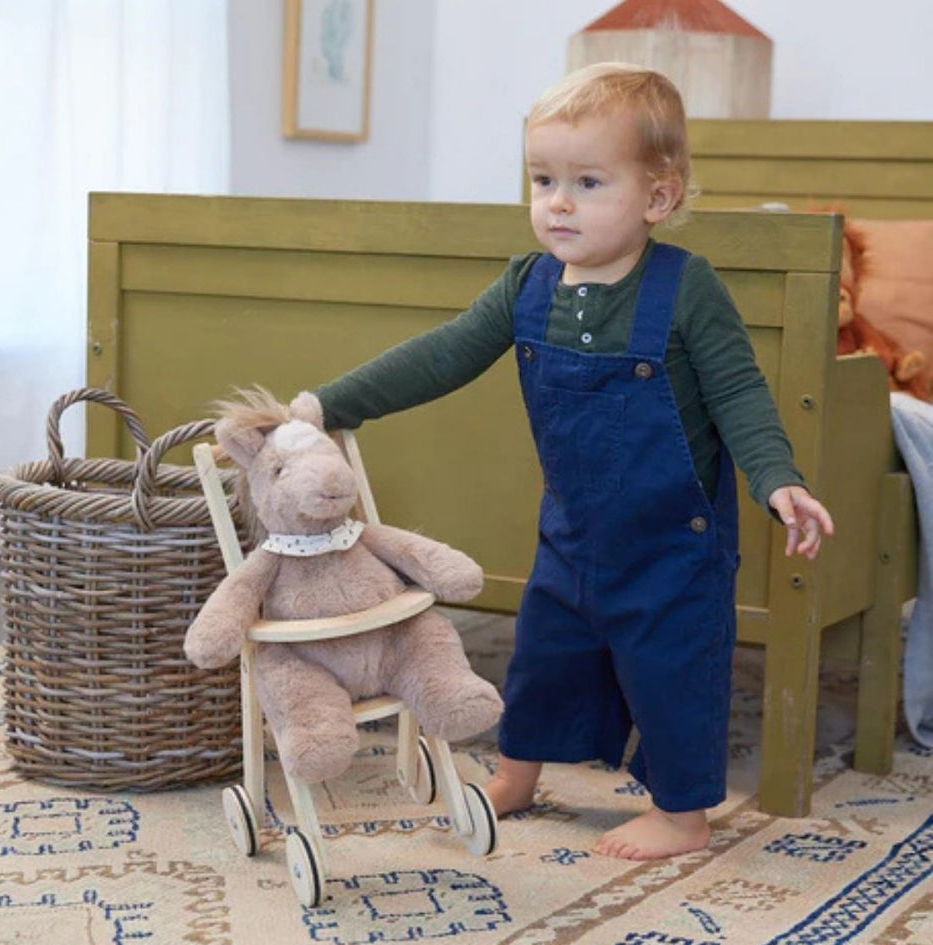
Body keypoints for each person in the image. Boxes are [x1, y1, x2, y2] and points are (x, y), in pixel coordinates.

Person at [310, 62, 834, 860]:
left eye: (588, 183)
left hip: (672, 545)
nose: (558, 202)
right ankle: (517, 774)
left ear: (658, 198)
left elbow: (739, 395)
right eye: (543, 179)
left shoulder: (686, 288)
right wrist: (328, 405)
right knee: (542, 658)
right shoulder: (527, 286)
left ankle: (683, 817)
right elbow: (441, 355)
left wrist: (779, 481)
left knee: (672, 672)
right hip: (574, 531)